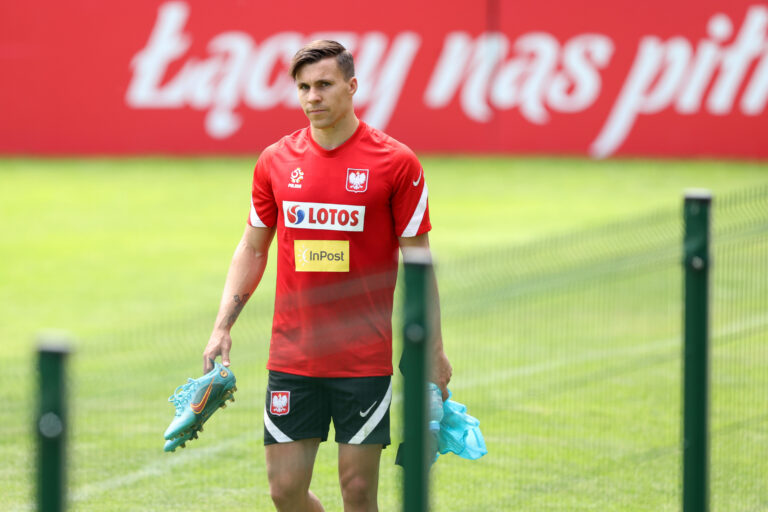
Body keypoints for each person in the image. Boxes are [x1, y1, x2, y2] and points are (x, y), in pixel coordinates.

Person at [201, 39, 452, 512]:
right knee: (284, 491)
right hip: (293, 356)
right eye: (303, 88)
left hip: (363, 358)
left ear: (352, 86)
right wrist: (222, 327)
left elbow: (420, 260)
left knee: (358, 493)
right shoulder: (275, 161)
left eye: (324, 85)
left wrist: (432, 350)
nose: (312, 97)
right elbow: (253, 248)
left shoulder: (397, 163)